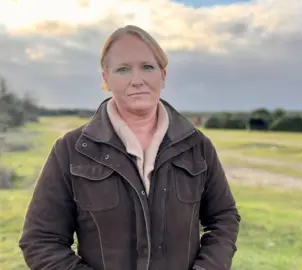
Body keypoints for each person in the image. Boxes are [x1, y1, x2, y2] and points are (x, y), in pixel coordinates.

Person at [19, 25, 241, 270]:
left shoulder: (197, 146)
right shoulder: (71, 150)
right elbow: (41, 240)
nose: (137, 80)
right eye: (123, 69)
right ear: (106, 78)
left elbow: (224, 218)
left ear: (163, 75)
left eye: (147, 67)